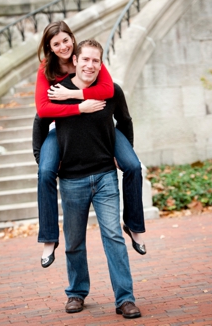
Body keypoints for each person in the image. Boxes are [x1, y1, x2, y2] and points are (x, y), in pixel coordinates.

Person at [33, 39, 142, 318]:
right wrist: (41, 158)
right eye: (86, 60)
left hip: (105, 176)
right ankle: (76, 293)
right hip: (72, 180)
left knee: (113, 238)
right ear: (76, 61)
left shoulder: (111, 91)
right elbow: (40, 120)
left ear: (100, 64)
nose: (90, 65)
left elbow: (125, 121)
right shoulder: (58, 90)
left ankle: (125, 298)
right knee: (74, 242)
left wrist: (123, 152)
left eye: (96, 61)